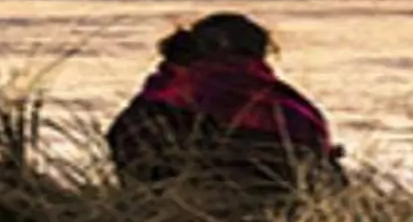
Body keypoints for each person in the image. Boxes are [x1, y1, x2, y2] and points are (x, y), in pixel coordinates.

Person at [106, 12, 342, 192]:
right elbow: (326, 180)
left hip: (166, 221)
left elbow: (130, 163)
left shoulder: (157, 99)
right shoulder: (290, 110)